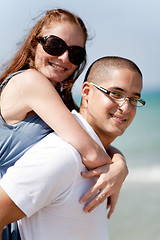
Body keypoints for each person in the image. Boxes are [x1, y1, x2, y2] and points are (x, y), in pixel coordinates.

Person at [0, 9, 128, 239]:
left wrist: (119, 162)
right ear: (34, 44)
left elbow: (89, 139)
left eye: (75, 53)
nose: (64, 58)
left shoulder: (58, 99)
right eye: (55, 46)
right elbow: (90, 151)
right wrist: (115, 169)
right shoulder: (29, 82)